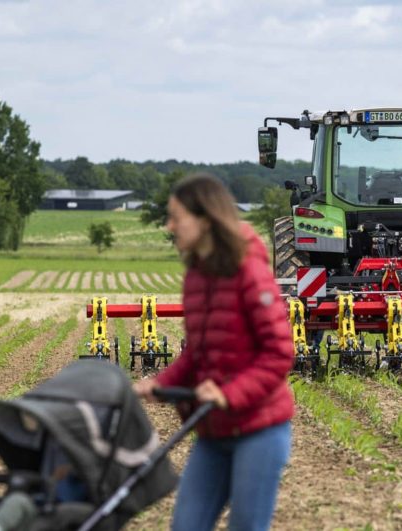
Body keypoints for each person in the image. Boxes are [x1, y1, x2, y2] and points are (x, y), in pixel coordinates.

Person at [134, 173, 294, 531]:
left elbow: (278, 353)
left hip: (259, 430)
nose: (168, 226)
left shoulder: (249, 271)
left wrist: (228, 394)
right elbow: (197, 354)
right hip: (213, 430)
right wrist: (157, 384)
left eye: (176, 217)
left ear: (205, 219)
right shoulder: (196, 277)